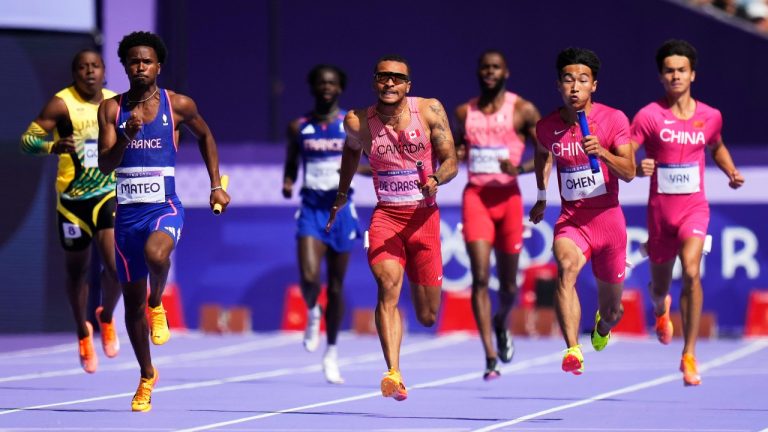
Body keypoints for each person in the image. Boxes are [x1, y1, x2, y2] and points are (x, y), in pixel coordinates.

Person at [97, 31, 229, 412]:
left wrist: (216, 185)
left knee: (158, 256)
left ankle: (159, 301)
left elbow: (206, 137)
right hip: (127, 216)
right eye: (134, 61)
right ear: (125, 66)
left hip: (164, 206)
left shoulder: (179, 104)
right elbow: (106, 164)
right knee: (131, 306)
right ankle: (146, 376)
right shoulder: (111, 110)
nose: (140, 67)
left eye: (147, 61)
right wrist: (125, 136)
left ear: (159, 66)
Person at [326, 55, 458, 401]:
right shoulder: (356, 121)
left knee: (428, 315)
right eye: (383, 77)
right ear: (374, 82)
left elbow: (451, 160)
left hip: (424, 219)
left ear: (407, 85)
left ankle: (418, 284)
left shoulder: (428, 110)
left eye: (397, 78)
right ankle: (393, 373)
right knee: (387, 286)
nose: (389, 83)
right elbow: (351, 153)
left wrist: (435, 179)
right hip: (387, 217)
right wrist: (342, 193)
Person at [630, 39, 744, 386]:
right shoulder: (649, 116)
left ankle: (689, 354)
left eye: (681, 70)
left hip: (694, 207)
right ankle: (660, 307)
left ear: (692, 74)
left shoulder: (710, 116)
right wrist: (636, 168)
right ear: (661, 77)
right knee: (660, 285)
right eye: (669, 71)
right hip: (660, 213)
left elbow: (717, 145)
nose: (675, 76)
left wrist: (730, 171)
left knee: (692, 271)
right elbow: (624, 156)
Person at [529, 47, 636, 375]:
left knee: (613, 310)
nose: (574, 87)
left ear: (594, 86)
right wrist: (542, 195)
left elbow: (630, 171)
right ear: (559, 85)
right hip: (572, 220)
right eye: (568, 80)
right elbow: (543, 154)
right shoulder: (547, 127)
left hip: (609, 221)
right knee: (566, 267)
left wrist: (602, 153)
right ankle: (573, 348)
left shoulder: (614, 119)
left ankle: (602, 326)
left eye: (582, 80)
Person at [21, 49, 122, 374]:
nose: (89, 72)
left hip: (106, 194)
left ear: (104, 71)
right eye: (83, 67)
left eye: (95, 66)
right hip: (72, 202)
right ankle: (82, 330)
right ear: (75, 73)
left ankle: (106, 316)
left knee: (115, 265)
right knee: (77, 271)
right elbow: (27, 141)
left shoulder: (114, 103)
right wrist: (51, 146)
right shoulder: (61, 103)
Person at [454, 50, 541, 380]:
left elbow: (547, 154)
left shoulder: (522, 110)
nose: (489, 72)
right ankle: (490, 356)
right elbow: (457, 149)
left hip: (509, 200)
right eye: (484, 67)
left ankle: (501, 322)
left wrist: (519, 168)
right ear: (478, 72)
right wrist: (460, 152)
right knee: (479, 277)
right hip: (476, 197)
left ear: (506, 72)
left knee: (508, 286)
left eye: (495, 68)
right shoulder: (465, 111)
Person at [283, 64, 362, 384]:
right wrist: (288, 182)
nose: (326, 87)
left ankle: (331, 352)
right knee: (309, 274)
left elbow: (363, 160)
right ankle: (313, 310)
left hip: (341, 212)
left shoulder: (351, 125)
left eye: (332, 83)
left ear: (340, 88)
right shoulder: (298, 126)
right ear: (313, 88)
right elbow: (291, 162)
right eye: (321, 83)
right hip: (312, 209)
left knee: (338, 285)